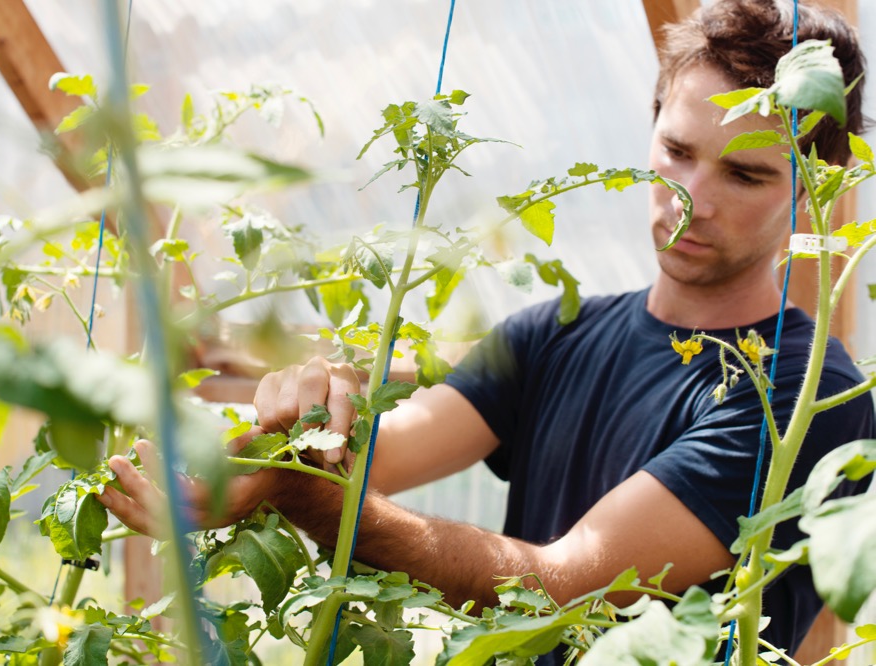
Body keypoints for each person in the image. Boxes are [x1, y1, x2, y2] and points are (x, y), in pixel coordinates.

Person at [98, 0, 874, 660]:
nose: (690, 198)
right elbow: (371, 452)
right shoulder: (556, 333)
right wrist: (258, 447)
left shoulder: (808, 398)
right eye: (676, 151)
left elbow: (559, 587)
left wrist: (309, 499)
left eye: (744, 175)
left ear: (813, 192)